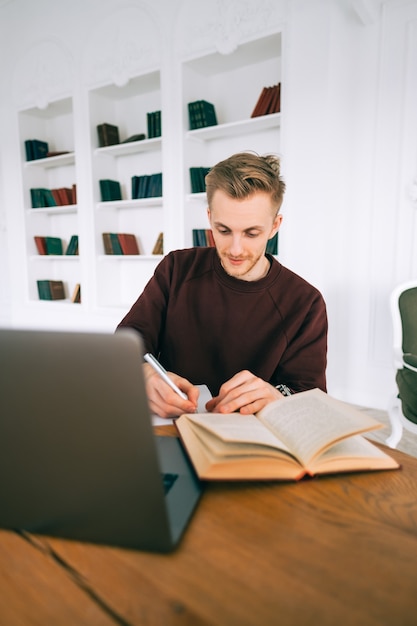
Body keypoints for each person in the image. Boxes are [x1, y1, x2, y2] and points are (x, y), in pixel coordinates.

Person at [117, 152, 327, 418]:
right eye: (224, 230)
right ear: (209, 218)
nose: (235, 249)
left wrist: (277, 397)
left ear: (275, 226)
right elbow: (128, 340)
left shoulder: (305, 302)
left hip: (252, 438)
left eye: (252, 233)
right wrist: (144, 373)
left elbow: (310, 397)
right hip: (171, 424)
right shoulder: (176, 269)